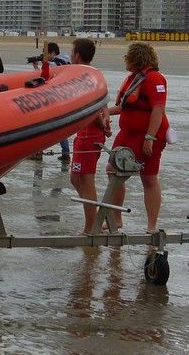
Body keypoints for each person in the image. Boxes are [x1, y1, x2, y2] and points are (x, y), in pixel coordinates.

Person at [105, 42, 168, 232]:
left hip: (148, 135)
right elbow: (124, 107)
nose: (125, 60)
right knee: (112, 170)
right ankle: (116, 219)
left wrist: (150, 137)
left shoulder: (155, 78)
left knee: (148, 178)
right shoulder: (135, 79)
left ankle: (151, 226)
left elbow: (158, 109)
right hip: (127, 135)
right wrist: (104, 112)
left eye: (128, 57)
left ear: (136, 59)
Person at [67, 38, 111, 233]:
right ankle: (95, 218)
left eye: (71, 52)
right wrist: (106, 121)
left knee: (85, 179)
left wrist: (102, 122)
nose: (70, 55)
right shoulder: (93, 75)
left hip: (88, 135)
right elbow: (104, 102)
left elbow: (95, 105)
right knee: (75, 179)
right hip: (84, 134)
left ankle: (90, 227)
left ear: (77, 55)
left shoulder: (86, 75)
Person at [38, 41, 73, 162]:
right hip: (64, 97)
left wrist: (42, 64)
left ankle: (38, 152)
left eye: (45, 53)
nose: (44, 55)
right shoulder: (66, 60)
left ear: (52, 53)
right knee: (61, 127)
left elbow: (46, 75)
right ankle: (65, 153)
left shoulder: (58, 62)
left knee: (42, 124)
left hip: (55, 97)